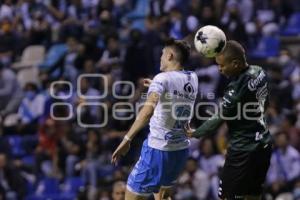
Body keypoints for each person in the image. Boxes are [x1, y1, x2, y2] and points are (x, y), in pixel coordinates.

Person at [111, 38, 198, 200]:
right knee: (162, 197)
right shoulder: (192, 78)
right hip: (180, 150)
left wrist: (127, 139)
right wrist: (157, 85)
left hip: (157, 150)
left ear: (170, 56)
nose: (160, 58)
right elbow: (177, 95)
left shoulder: (162, 79)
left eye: (162, 54)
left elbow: (147, 110)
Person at [185, 40, 272, 200]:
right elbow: (265, 101)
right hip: (263, 144)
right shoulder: (260, 71)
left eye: (222, 65)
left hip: (242, 150)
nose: (220, 69)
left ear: (236, 63)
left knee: (226, 196)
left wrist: (197, 132)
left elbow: (219, 116)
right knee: (252, 195)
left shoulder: (235, 87)